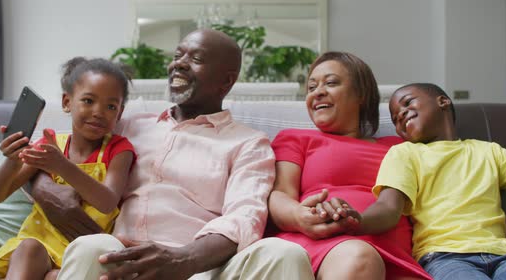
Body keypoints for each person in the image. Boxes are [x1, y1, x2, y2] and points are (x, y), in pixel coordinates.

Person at [31, 29, 314, 280]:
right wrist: (43, 188)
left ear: (226, 81)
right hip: (120, 260)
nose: (179, 63)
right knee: (92, 246)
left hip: (201, 268)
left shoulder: (248, 143)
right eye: (178, 55)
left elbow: (244, 217)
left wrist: (182, 260)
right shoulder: (127, 124)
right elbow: (62, 152)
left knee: (284, 254)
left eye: (196, 59)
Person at [0, 57, 136, 280]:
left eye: (110, 106)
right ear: (67, 102)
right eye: (88, 101)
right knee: (29, 249)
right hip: (39, 243)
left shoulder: (119, 149)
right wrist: (11, 160)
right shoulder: (49, 145)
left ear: (120, 112)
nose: (98, 112)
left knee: (52, 277)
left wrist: (62, 166)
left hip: (81, 250)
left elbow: (106, 202)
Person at [318, 83, 506, 280]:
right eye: (395, 118)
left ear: (442, 101)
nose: (400, 115)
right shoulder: (405, 153)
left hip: (505, 255)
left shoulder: (489, 151)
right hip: (446, 257)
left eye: (407, 103)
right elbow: (388, 208)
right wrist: (358, 221)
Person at [267, 52, 431, 279]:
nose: (318, 92)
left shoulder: (400, 147)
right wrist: (299, 216)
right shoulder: (295, 138)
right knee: (360, 258)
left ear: (361, 93)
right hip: (324, 247)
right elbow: (280, 193)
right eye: (311, 87)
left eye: (331, 83)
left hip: (395, 257)